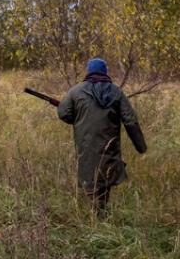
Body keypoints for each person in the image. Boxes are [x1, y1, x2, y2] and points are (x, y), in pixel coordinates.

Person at [57, 58, 147, 212]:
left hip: (86, 145)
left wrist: (80, 118)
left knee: (89, 176)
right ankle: (101, 211)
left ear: (88, 71)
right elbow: (130, 120)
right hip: (110, 145)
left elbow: (64, 113)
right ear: (105, 71)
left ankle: (96, 213)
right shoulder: (116, 92)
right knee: (106, 175)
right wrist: (141, 147)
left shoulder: (76, 91)